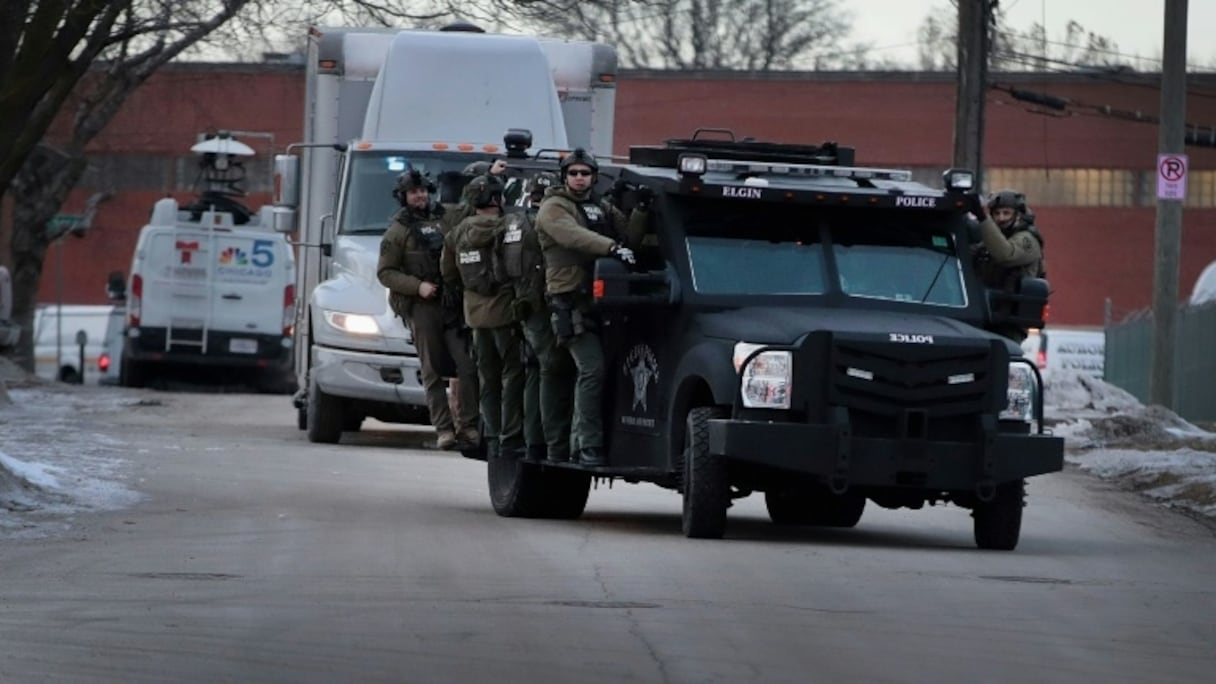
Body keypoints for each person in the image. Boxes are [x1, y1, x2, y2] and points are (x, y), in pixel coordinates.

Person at [534, 148, 650, 466]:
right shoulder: (553, 207)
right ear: (564, 177)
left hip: (602, 303)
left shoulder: (601, 206)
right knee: (590, 369)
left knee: (597, 372)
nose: (579, 178)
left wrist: (641, 209)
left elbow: (631, 239)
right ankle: (587, 445)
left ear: (594, 177)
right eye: (573, 173)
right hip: (569, 302)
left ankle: (576, 443)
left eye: (585, 173)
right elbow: (572, 236)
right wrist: (611, 247)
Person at [377, 168, 480, 450]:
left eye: (423, 190)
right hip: (422, 307)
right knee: (432, 370)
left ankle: (469, 426)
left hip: (451, 304)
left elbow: (471, 209)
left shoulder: (446, 217)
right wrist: (417, 286)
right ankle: (444, 429)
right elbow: (386, 273)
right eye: (413, 191)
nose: (420, 195)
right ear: (404, 196)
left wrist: (488, 175)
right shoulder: (397, 232)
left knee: (468, 366)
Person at [442, 173, 525, 459]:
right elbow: (519, 267)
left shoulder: (458, 232)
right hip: (504, 313)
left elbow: (448, 273)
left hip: (474, 315)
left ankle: (491, 433)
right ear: (498, 199)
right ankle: (510, 433)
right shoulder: (506, 227)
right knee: (512, 373)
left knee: (486, 377)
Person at [502, 171, 564, 462]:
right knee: (549, 367)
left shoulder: (513, 222)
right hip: (539, 306)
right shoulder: (541, 224)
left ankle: (531, 439)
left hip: (522, 306)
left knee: (533, 370)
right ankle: (547, 442)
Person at [969, 188, 1047, 342]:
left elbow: (1006, 254)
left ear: (1018, 215)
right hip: (984, 316)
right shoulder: (990, 240)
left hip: (1009, 325)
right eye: (997, 214)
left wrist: (982, 217)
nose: (1001, 218)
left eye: (1006, 213)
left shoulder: (1027, 240)